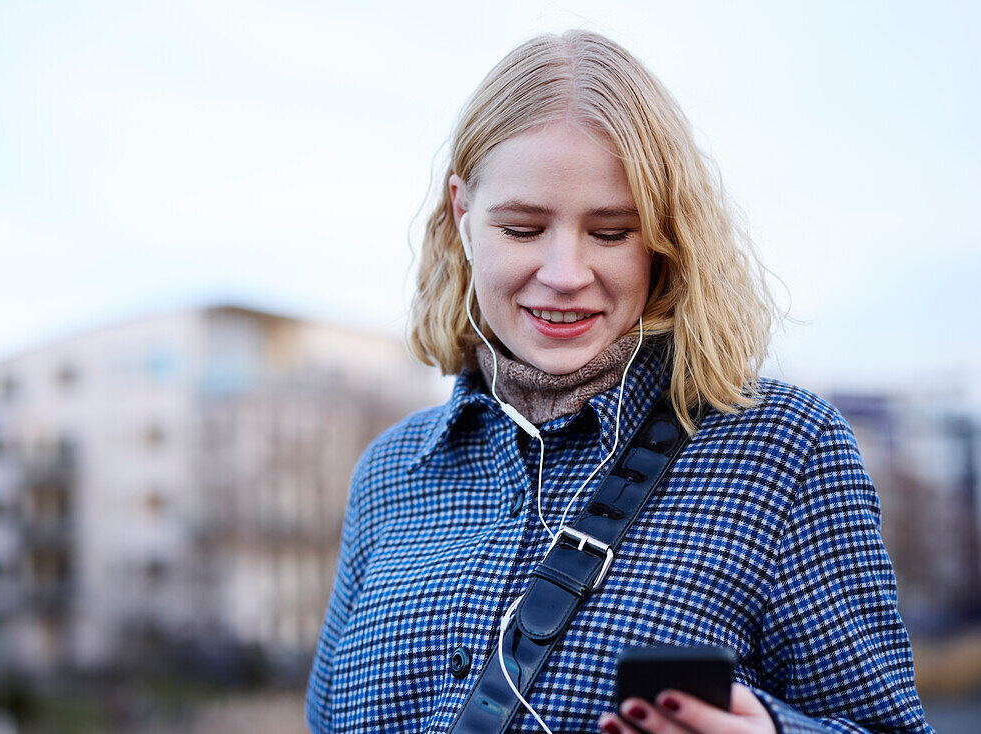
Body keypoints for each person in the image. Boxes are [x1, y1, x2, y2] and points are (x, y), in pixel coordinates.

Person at [307, 30, 931, 734]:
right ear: (462, 214)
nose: (566, 274)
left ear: (667, 236)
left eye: (610, 233)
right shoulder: (389, 473)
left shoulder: (786, 452)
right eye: (522, 228)